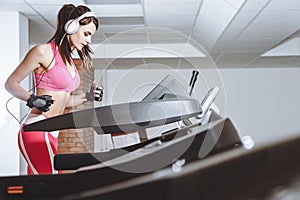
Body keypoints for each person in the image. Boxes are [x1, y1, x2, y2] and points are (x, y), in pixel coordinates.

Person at [5, 4, 103, 175]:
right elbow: (11, 83)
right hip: (37, 128)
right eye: (86, 34)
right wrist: (31, 98)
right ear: (71, 26)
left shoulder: (69, 61)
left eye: (91, 36)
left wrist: (87, 97)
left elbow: (64, 100)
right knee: (53, 184)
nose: (89, 40)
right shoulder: (43, 52)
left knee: (39, 186)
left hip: (52, 132)